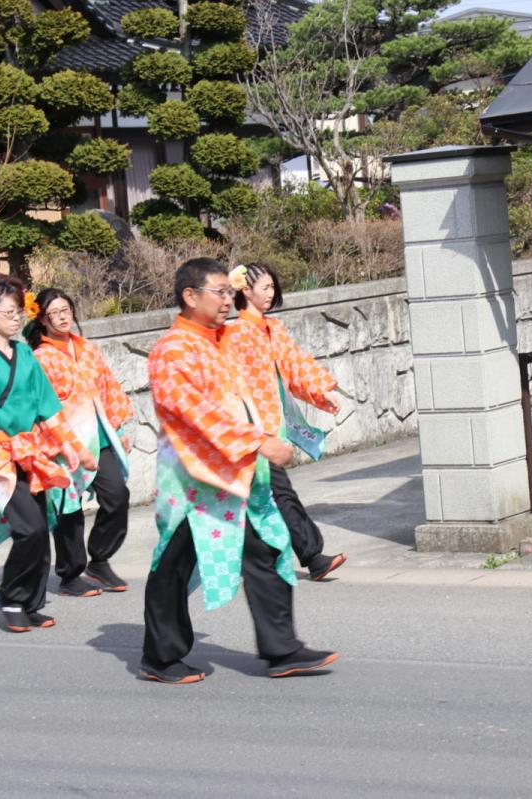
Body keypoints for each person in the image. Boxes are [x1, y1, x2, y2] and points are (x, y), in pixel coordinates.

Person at [140, 257, 339, 684]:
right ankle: (160, 656)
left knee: (265, 548)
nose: (228, 300)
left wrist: (314, 390)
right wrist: (258, 441)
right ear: (190, 296)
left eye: (230, 292)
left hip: (239, 469)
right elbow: (194, 412)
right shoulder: (173, 350)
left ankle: (281, 649)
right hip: (194, 477)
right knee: (174, 561)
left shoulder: (224, 340)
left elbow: (273, 364)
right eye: (220, 292)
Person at [0, 274, 82, 633]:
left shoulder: (25, 353)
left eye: (18, 312)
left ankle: (30, 603)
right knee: (29, 528)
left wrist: (68, 443)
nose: (16, 319)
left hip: (31, 448)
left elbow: (46, 403)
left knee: (41, 527)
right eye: (9, 312)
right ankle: (11, 596)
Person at [221, 262, 347, 581]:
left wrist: (323, 390)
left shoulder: (273, 329)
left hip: (272, 427)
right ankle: (311, 557)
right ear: (245, 291)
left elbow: (296, 363)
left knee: (266, 497)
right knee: (277, 493)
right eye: (265, 287)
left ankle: (272, 559)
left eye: (272, 287)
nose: (271, 293)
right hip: (252, 431)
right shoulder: (234, 335)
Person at [27, 288, 134, 597]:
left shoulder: (87, 348)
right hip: (61, 439)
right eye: (54, 313)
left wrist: (118, 428)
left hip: (98, 435)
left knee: (117, 495)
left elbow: (108, 387)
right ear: (42, 320)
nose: (62, 317)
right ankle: (70, 573)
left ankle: (99, 559)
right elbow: (41, 406)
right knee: (68, 507)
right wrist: (59, 443)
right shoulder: (40, 358)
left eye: (66, 310)